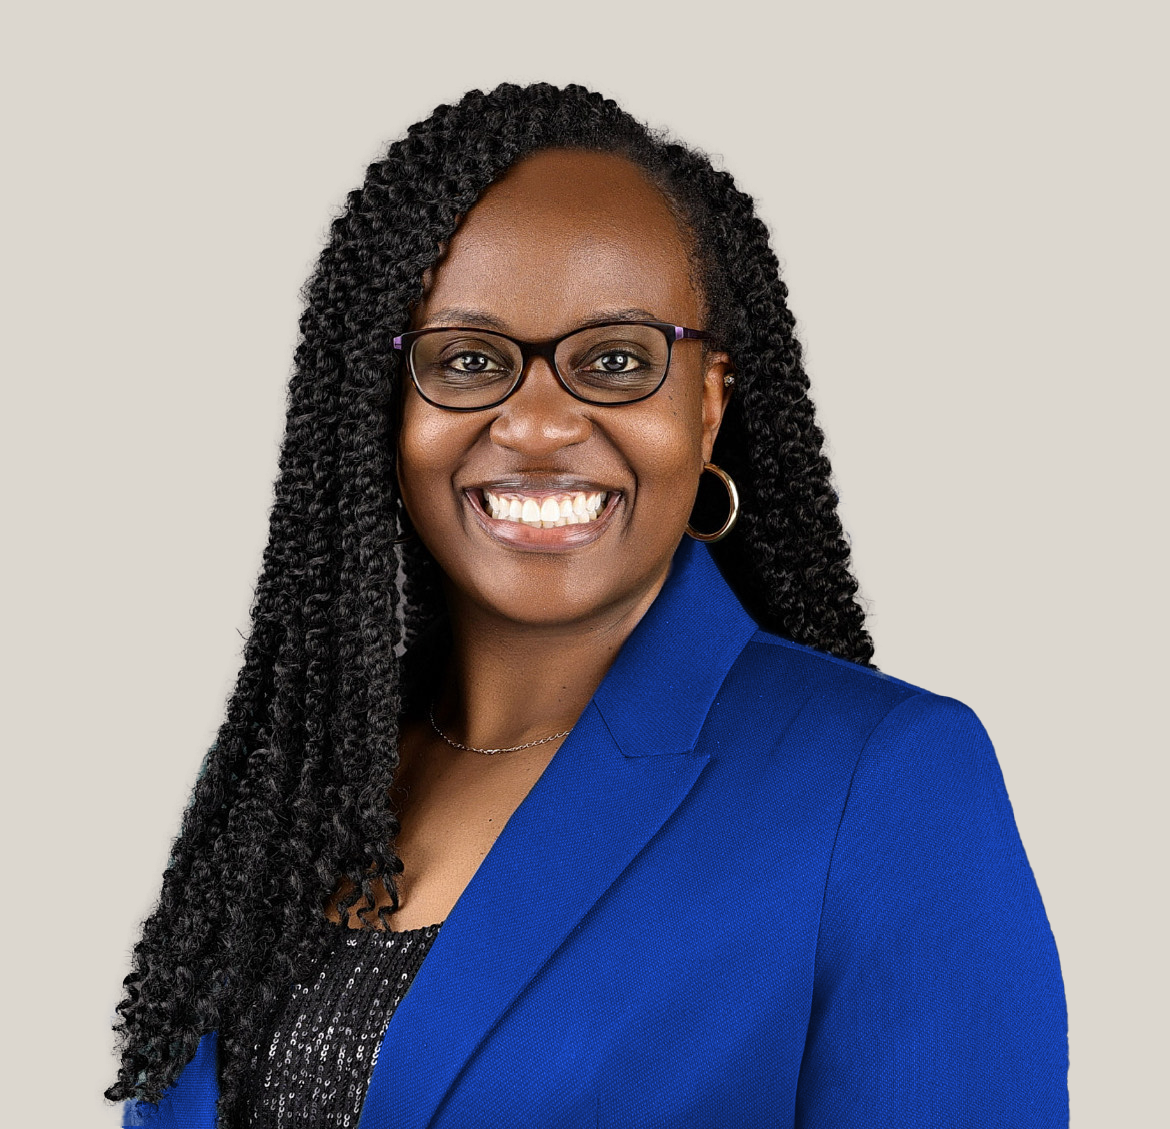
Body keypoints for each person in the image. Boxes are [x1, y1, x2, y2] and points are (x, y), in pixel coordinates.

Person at [108, 82, 1069, 1128]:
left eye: (615, 361)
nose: (536, 423)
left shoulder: (884, 786)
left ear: (707, 407)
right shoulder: (287, 779)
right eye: (467, 362)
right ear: (380, 410)